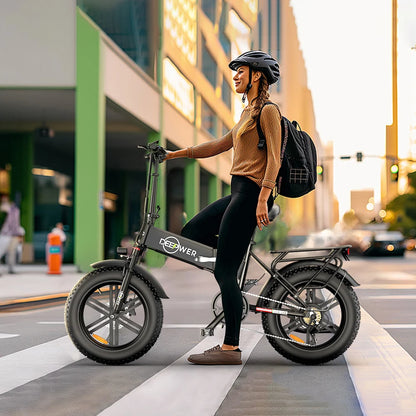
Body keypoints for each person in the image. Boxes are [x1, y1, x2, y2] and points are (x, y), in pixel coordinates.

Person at [164, 51, 282, 365]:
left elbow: (274, 158)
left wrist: (263, 197)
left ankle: (230, 348)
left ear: (257, 75)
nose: (235, 77)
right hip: (238, 192)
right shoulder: (246, 113)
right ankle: (232, 259)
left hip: (252, 194)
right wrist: (173, 154)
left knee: (224, 271)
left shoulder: (268, 111)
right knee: (192, 231)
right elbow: (218, 145)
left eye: (240, 71)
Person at [0, 194, 24, 274]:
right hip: (5, 234)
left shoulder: (14, 209)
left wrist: (19, 234)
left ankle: (11, 269)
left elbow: (16, 223)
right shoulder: (6, 207)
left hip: (12, 234)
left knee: (11, 252)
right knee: (1, 251)